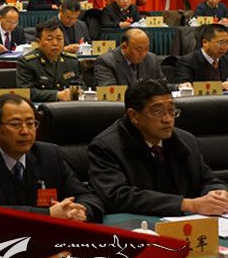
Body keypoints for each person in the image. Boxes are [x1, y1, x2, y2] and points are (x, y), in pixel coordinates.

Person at [88, 79, 228, 216]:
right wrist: (188, 205)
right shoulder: (106, 147)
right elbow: (118, 196)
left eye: (171, 110)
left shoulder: (186, 140)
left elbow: (208, 180)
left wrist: (218, 192)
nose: (168, 119)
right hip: (134, 224)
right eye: (158, 112)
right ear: (134, 116)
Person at [0, 94, 103, 222]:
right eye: (15, 124)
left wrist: (79, 212)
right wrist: (47, 215)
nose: (25, 131)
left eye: (31, 123)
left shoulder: (49, 154)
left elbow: (88, 197)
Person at [16, 20, 82, 102]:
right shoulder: (27, 62)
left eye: (59, 39)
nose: (55, 43)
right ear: (38, 42)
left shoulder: (71, 61)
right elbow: (26, 91)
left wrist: (77, 92)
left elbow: (81, 85)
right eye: (49, 39)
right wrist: (57, 95)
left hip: (68, 106)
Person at [94, 29, 167, 87]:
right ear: (124, 47)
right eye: (139, 49)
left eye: (146, 48)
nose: (143, 53)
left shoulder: (152, 59)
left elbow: (163, 85)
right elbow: (110, 92)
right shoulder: (106, 62)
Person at [175, 23, 228, 88]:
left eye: (227, 43)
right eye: (221, 43)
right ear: (205, 42)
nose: (224, 47)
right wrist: (219, 87)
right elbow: (184, 88)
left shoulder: (226, 60)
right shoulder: (187, 62)